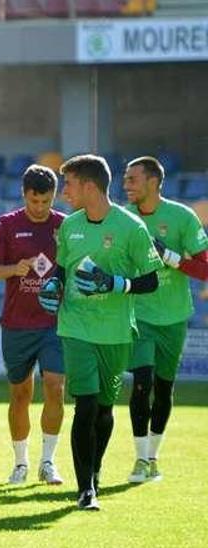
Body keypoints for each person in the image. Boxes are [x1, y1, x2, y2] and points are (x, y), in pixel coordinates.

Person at [39, 154, 162, 510]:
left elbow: (151, 279)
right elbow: (61, 271)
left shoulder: (132, 228)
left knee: (105, 410)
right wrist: (52, 287)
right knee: (86, 405)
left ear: (90, 187)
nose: (65, 193)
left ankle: (94, 474)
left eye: (70, 185)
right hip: (75, 327)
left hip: (117, 332)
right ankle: (84, 490)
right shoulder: (69, 226)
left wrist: (115, 283)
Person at [120, 156, 208, 483]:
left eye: (133, 180)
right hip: (138, 315)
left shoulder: (182, 217)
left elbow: (205, 268)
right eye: (126, 179)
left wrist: (169, 256)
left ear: (153, 182)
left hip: (173, 317)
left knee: (163, 387)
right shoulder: (123, 218)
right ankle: (140, 459)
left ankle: (154, 456)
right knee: (141, 384)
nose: (126, 185)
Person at [0, 165, 67, 485]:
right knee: (20, 394)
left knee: (55, 388)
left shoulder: (65, 226)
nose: (40, 208)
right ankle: (20, 463)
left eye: (46, 202)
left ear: (53, 197)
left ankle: (48, 462)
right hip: (17, 324)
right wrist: (14, 269)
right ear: (24, 195)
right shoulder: (6, 225)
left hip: (54, 324)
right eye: (34, 201)